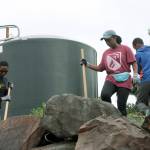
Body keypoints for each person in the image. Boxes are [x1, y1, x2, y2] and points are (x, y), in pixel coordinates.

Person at [80, 30, 138, 116]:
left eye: (108, 40)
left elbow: (133, 63)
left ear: (115, 38)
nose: (107, 42)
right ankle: (111, 114)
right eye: (105, 41)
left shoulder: (125, 49)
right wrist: (87, 64)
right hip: (111, 78)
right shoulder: (106, 53)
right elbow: (100, 68)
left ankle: (124, 124)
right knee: (105, 95)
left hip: (124, 79)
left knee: (121, 105)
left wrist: (135, 75)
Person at [132, 38, 150, 116]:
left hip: (147, 79)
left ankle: (147, 112)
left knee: (140, 103)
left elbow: (138, 70)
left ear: (135, 45)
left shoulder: (138, 54)